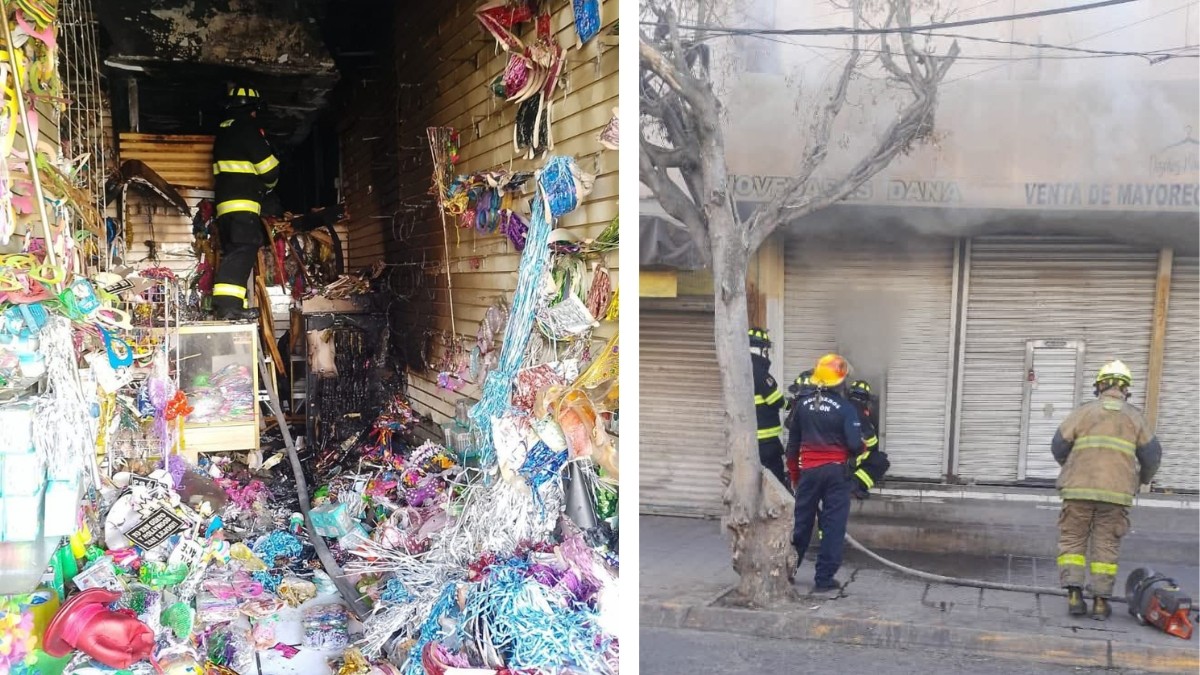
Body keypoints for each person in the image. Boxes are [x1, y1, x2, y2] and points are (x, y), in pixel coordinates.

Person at [1051, 360, 1161, 620]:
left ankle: (1074, 596)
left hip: (1077, 491)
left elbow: (1058, 446)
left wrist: (1072, 467)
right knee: (1106, 546)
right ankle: (1100, 603)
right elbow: (1153, 457)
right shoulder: (1135, 418)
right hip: (1116, 494)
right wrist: (1140, 479)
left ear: (1099, 385)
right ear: (1126, 389)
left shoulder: (1082, 413)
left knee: (1072, 540)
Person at [785, 353, 863, 593]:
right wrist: (863, 447)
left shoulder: (802, 406)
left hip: (808, 472)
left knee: (801, 523)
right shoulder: (846, 408)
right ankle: (824, 579)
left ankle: (788, 571)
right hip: (836, 475)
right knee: (833, 525)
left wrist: (795, 476)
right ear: (841, 381)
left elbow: (792, 446)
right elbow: (854, 444)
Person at [210, 85, 280, 321]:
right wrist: (269, 187)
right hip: (242, 205)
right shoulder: (247, 129)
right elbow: (269, 169)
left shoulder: (224, 131)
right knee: (244, 249)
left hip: (225, 207)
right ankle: (228, 306)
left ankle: (229, 306)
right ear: (253, 109)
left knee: (235, 251)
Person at [749, 328, 787, 486]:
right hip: (765, 441)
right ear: (760, 349)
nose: (767, 353)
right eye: (766, 349)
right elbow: (775, 399)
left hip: (750, 439)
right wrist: (790, 404)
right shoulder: (758, 371)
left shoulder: (742, 367)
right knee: (775, 481)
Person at [847, 380, 890, 499]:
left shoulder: (842, 406)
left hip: (834, 458)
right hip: (849, 459)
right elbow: (871, 441)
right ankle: (854, 485)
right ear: (866, 398)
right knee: (881, 461)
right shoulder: (860, 411)